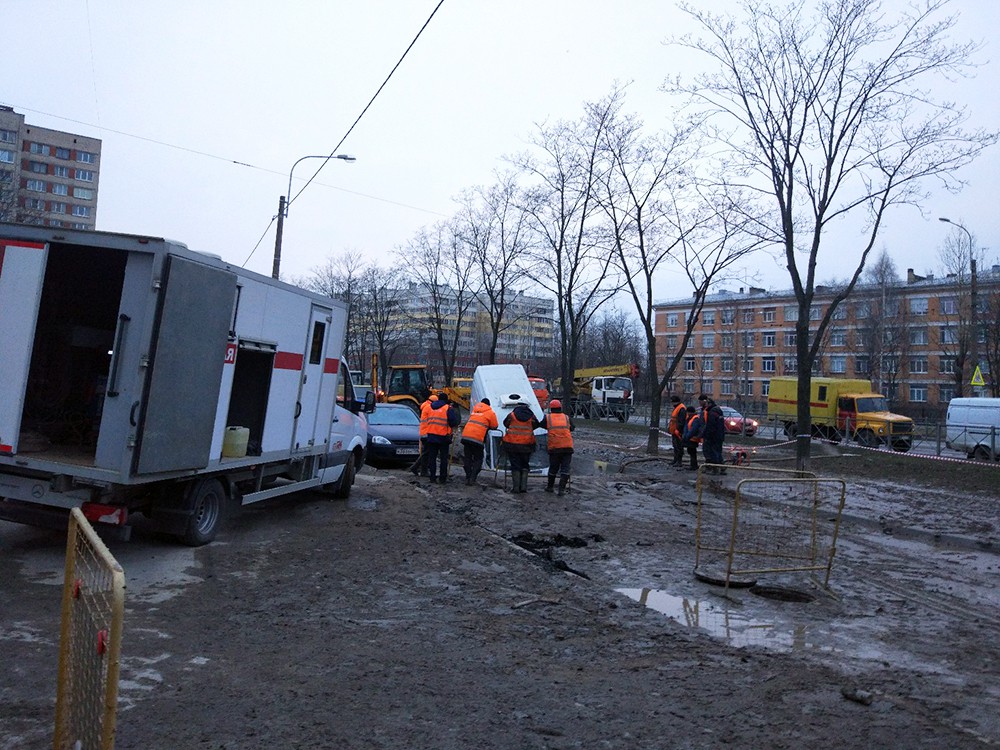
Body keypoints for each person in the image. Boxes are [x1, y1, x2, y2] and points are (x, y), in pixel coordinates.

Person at [502, 395, 541, 494]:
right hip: (527, 445)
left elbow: (505, 423)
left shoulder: (512, 415)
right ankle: (523, 487)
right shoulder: (531, 416)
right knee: (525, 465)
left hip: (512, 444)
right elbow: (536, 425)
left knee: (515, 465)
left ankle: (515, 488)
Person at [424, 392, 461, 484]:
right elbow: (453, 422)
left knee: (432, 458)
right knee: (443, 459)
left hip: (431, 435)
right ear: (446, 400)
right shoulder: (448, 408)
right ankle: (442, 478)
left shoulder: (430, 407)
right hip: (443, 437)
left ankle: (432, 477)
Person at [539, 399, 574, 495]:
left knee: (553, 468)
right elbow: (572, 428)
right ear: (560, 408)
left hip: (555, 447)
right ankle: (561, 490)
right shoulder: (566, 418)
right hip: (567, 446)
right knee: (565, 468)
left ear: (551, 408)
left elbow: (540, 425)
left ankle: (550, 487)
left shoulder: (548, 418)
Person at [461, 397, 499, 485]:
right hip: (477, 438)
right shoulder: (490, 413)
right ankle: (473, 478)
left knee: (468, 457)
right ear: (488, 405)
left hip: (466, 436)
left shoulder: (474, 411)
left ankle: (468, 476)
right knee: (478, 459)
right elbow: (495, 426)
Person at [410, 393, 438, 477]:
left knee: (426, 452)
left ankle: (419, 469)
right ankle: (419, 468)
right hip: (427, 433)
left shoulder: (425, 406)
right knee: (427, 453)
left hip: (423, 432)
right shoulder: (429, 408)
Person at [699, 393, 726, 474]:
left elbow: (711, 426)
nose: (705, 405)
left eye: (706, 403)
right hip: (719, 435)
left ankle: (715, 469)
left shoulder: (711, 412)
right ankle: (722, 468)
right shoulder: (718, 411)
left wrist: (707, 435)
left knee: (713, 453)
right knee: (718, 451)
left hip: (713, 436)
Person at [681, 405, 705, 471]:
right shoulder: (690, 418)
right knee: (691, 451)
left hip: (693, 438)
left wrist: (687, 436)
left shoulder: (695, 419)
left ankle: (693, 465)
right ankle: (693, 464)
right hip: (690, 438)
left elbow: (693, 429)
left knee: (692, 452)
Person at [667, 395, 686, 468]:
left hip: (678, 431)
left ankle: (679, 461)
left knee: (679, 447)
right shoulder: (677, 408)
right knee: (675, 446)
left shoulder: (681, 408)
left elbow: (681, 421)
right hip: (674, 430)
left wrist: (678, 430)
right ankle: (675, 460)